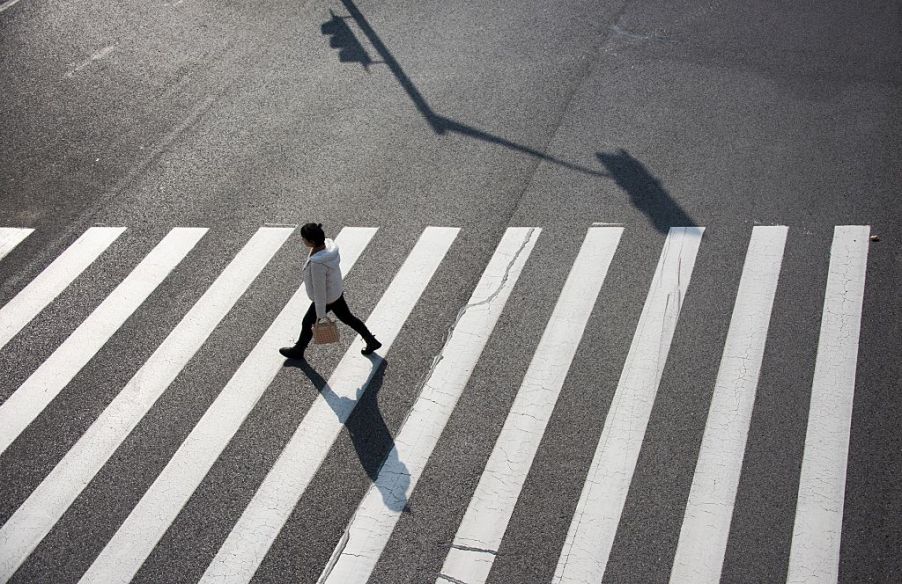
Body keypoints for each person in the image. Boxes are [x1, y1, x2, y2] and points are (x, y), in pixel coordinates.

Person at [279, 223, 381, 360]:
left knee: (307, 322)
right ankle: (371, 341)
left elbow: (320, 290)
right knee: (348, 319)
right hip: (335, 293)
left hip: (327, 299)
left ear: (312, 241)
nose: (302, 240)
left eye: (304, 238)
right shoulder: (328, 250)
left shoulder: (318, 264)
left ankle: (298, 350)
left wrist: (320, 313)